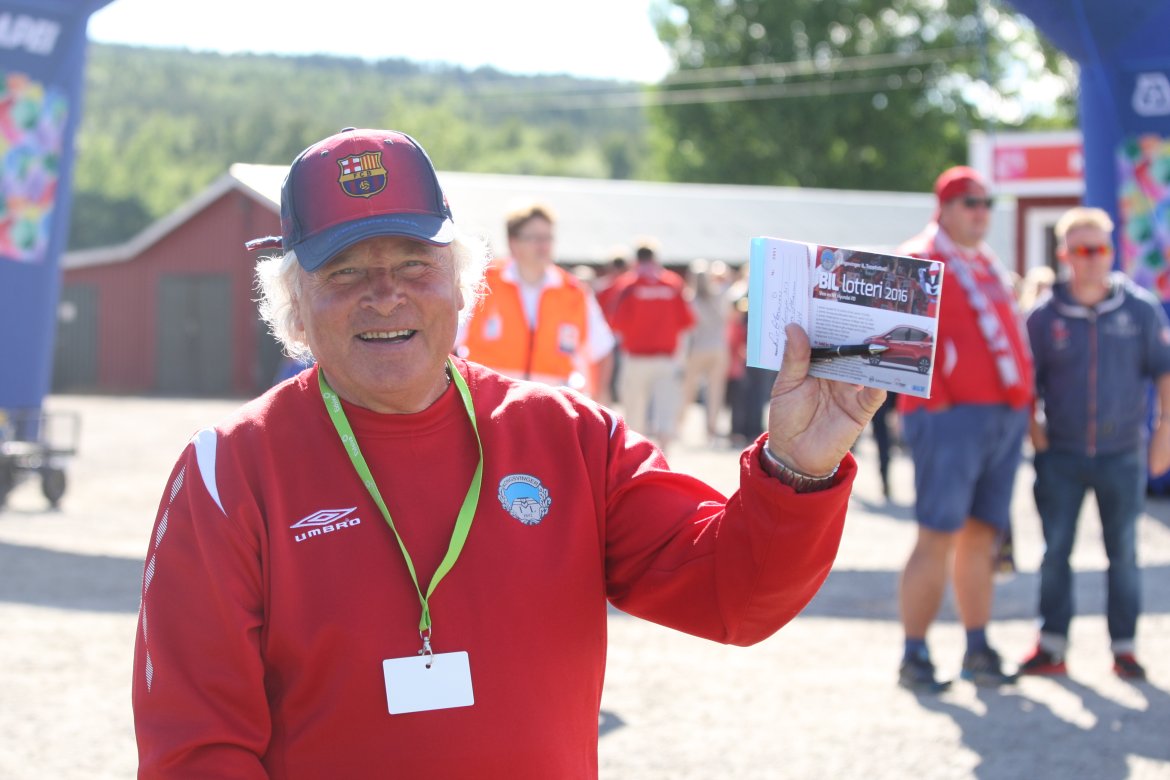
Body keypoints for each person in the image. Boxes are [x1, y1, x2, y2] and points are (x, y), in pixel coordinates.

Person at [131, 127, 886, 778]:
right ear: (295, 307)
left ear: (462, 285)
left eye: (414, 265)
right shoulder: (229, 471)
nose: (386, 294)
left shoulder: (569, 436)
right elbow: (195, 746)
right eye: (347, 271)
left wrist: (799, 467)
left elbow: (733, 597)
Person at [895, 165, 1035, 692]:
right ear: (946, 207)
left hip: (1001, 416)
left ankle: (977, 647)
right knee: (937, 535)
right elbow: (899, 342)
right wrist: (935, 405)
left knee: (983, 536)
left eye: (986, 203)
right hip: (948, 418)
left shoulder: (988, 265)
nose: (981, 212)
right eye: (971, 202)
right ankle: (914, 655)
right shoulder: (920, 259)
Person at [1020, 206, 1170, 681]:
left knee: (1123, 554)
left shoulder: (1140, 309)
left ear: (1112, 251)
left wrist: (1165, 431)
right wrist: (1034, 431)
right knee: (1054, 551)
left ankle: (1124, 649)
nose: (1091, 259)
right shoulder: (1043, 316)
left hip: (1122, 454)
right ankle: (1051, 646)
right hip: (1060, 454)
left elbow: (1164, 372)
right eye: (1081, 250)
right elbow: (1026, 381)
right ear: (1065, 254)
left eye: (1099, 249)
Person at [459, 202, 615, 401]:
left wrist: (598, 400)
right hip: (488, 404)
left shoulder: (574, 293)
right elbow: (444, 340)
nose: (544, 246)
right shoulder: (482, 285)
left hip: (551, 408)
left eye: (548, 237)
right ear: (513, 243)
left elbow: (602, 351)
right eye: (534, 238)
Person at [609, 241, 696, 452]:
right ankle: (664, 458)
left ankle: (637, 460)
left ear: (635, 259)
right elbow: (686, 322)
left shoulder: (627, 284)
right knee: (666, 412)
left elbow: (615, 323)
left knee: (634, 413)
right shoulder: (672, 283)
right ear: (655, 258)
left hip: (636, 359)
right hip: (666, 359)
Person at [677, 258, 732, 443]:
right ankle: (711, 429)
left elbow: (687, 329)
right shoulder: (720, 295)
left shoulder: (689, 299)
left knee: (688, 390)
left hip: (697, 349)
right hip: (718, 348)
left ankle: (680, 425)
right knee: (715, 391)